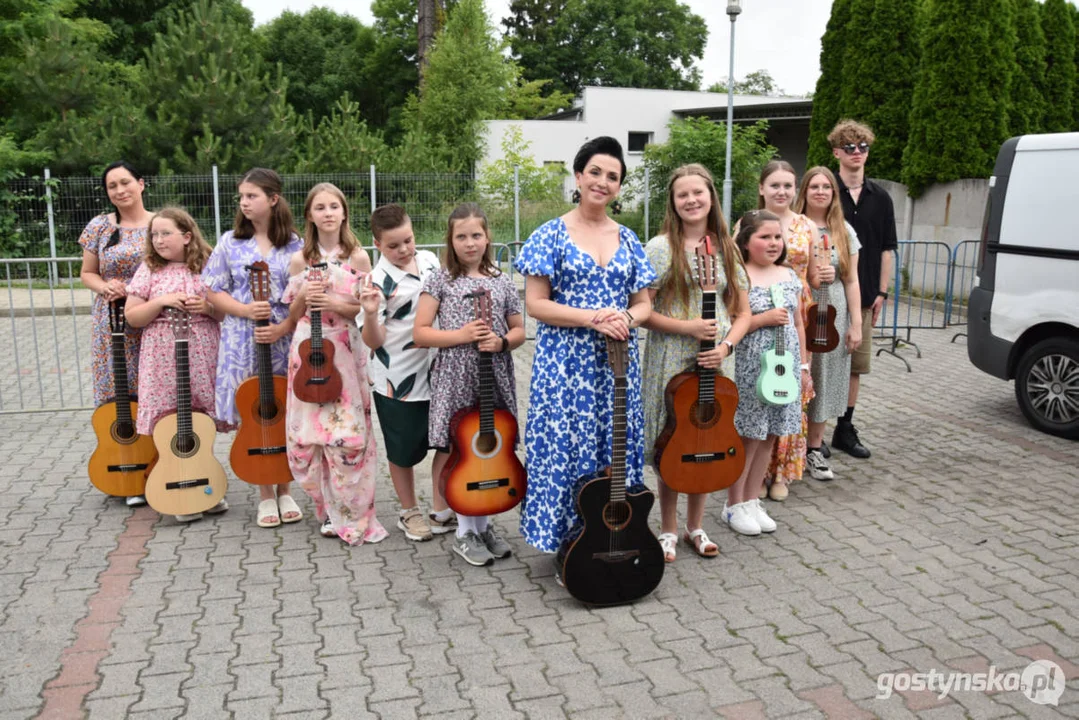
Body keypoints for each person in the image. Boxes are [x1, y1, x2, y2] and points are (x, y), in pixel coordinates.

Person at [513, 136, 655, 585]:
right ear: (578, 176)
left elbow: (645, 305)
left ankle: (612, 534)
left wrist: (626, 318)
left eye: (612, 176)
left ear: (618, 187)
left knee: (611, 448)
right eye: (595, 172)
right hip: (564, 366)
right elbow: (536, 304)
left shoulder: (629, 239)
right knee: (566, 449)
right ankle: (567, 545)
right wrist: (593, 317)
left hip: (616, 366)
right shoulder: (550, 234)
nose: (603, 181)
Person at [641, 164, 751, 562]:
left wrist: (726, 348)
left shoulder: (727, 246)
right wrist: (686, 327)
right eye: (682, 194)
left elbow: (742, 312)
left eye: (698, 193)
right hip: (671, 354)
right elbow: (642, 310)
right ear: (673, 202)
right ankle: (668, 528)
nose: (691, 200)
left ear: (711, 197)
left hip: (715, 359)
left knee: (709, 434)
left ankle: (696, 526)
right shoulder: (658, 248)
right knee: (674, 438)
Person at [413, 203, 525, 566]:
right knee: (462, 448)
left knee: (490, 446)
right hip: (455, 376)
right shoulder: (440, 280)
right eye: (461, 236)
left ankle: (484, 525)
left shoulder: (503, 281)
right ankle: (464, 530)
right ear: (451, 240)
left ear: (488, 236)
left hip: (494, 374)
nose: (470, 243)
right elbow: (420, 333)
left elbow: (520, 330)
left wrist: (503, 342)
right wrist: (460, 335)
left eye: (476, 235)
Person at [203, 168, 304, 529]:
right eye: (241, 197)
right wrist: (245, 309)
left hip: (282, 335)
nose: (244, 203)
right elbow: (212, 289)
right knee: (255, 409)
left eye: (252, 196)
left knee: (284, 409)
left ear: (273, 199)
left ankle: (286, 488)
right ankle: (265, 493)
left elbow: (303, 292)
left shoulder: (294, 243)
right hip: (242, 338)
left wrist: (284, 325)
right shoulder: (229, 241)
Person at [284, 183, 383, 545]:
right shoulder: (299, 259)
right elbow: (292, 312)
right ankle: (324, 506)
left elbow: (362, 307)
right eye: (320, 207)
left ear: (344, 212)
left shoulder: (357, 257)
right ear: (309, 215)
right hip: (305, 348)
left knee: (347, 438)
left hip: (341, 349)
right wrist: (305, 299)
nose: (327, 213)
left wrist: (329, 300)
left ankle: (350, 513)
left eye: (334, 206)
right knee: (304, 442)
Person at [124, 207, 229, 523]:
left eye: (165, 233)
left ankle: (206, 486)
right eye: (153, 234)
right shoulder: (149, 269)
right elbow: (132, 316)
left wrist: (208, 307)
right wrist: (160, 302)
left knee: (199, 421)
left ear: (187, 236)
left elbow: (224, 312)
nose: (158, 240)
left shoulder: (208, 265)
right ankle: (174, 489)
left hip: (201, 352)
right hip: (161, 357)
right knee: (170, 420)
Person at [357, 204, 450, 542]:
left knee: (446, 440)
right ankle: (409, 511)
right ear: (377, 244)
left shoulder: (428, 260)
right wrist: (369, 314)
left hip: (440, 370)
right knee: (403, 449)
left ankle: (441, 507)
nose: (403, 250)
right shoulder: (375, 281)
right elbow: (373, 339)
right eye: (393, 245)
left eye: (408, 240)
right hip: (398, 379)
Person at [725, 210, 809, 535]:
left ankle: (750, 500)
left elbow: (798, 323)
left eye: (777, 237)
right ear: (746, 242)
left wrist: (803, 366)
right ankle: (733, 504)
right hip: (749, 370)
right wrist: (760, 320)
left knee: (771, 433)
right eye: (764, 237)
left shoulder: (788, 276)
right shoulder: (737, 277)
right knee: (748, 435)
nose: (773, 243)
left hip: (783, 369)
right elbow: (730, 324)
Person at [79, 161, 153, 506]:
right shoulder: (99, 227)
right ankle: (123, 463)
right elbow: (87, 273)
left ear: (141, 183)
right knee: (117, 391)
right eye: (112, 186)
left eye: (126, 182)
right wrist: (105, 285)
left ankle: (156, 464)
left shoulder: (160, 224)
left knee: (152, 389)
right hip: (110, 323)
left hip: (151, 320)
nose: (120, 190)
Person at [830, 120, 897, 459]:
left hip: (866, 294)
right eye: (850, 147)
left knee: (855, 364)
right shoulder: (824, 193)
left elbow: (887, 248)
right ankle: (810, 436)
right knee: (815, 363)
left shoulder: (882, 198)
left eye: (863, 147)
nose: (857, 153)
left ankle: (844, 427)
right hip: (824, 295)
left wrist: (882, 292)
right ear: (837, 152)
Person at [794, 167, 863, 481]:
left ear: (834, 193)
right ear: (804, 191)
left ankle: (814, 450)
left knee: (825, 380)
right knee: (797, 378)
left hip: (833, 316)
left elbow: (852, 279)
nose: (820, 192)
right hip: (800, 313)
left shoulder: (843, 230)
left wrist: (856, 324)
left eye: (827, 187)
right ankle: (788, 450)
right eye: (814, 186)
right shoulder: (795, 226)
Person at [755, 160, 818, 501]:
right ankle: (756, 472)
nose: (781, 191)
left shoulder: (806, 226)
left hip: (797, 309)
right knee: (760, 390)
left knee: (790, 388)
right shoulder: (748, 222)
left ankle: (781, 471)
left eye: (787, 185)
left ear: (796, 190)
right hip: (761, 309)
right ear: (762, 188)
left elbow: (814, 271)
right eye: (774, 185)